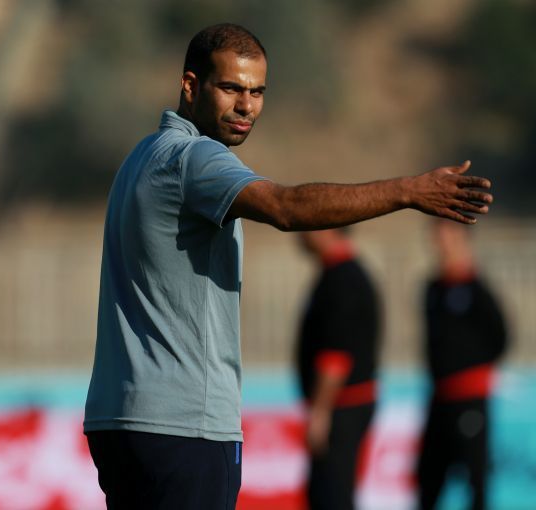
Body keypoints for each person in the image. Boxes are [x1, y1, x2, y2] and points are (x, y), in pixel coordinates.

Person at [83, 23, 493, 510]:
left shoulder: (140, 157)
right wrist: (408, 191)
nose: (246, 106)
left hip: (118, 420)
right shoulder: (196, 157)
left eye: (257, 92)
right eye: (231, 88)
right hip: (184, 425)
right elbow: (286, 207)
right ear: (191, 85)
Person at [415, 220, 508, 510]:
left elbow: (500, 337)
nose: (441, 240)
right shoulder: (433, 288)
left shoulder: (476, 290)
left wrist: (471, 373)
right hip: (439, 397)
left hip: (469, 398)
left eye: (447, 233)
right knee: (428, 479)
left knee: (475, 479)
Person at [296, 228, 381, 510]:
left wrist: (321, 411)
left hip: (341, 407)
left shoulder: (343, 279)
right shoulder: (336, 274)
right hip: (339, 407)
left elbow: (336, 355)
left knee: (332, 496)